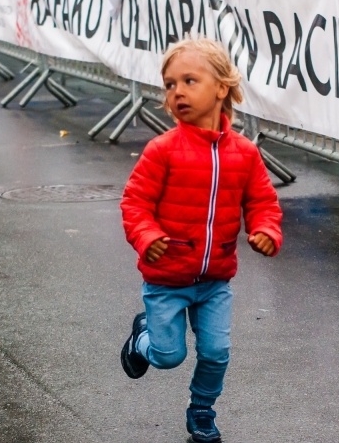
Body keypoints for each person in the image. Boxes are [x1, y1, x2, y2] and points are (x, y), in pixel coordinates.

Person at [119, 37, 283, 443]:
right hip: (166, 280)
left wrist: (265, 230)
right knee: (168, 356)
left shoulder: (243, 153)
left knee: (215, 353)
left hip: (214, 281)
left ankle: (202, 412)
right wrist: (148, 235)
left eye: (189, 81)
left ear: (221, 88)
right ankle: (142, 340)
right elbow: (134, 203)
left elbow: (263, 201)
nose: (177, 92)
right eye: (170, 84)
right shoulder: (163, 151)